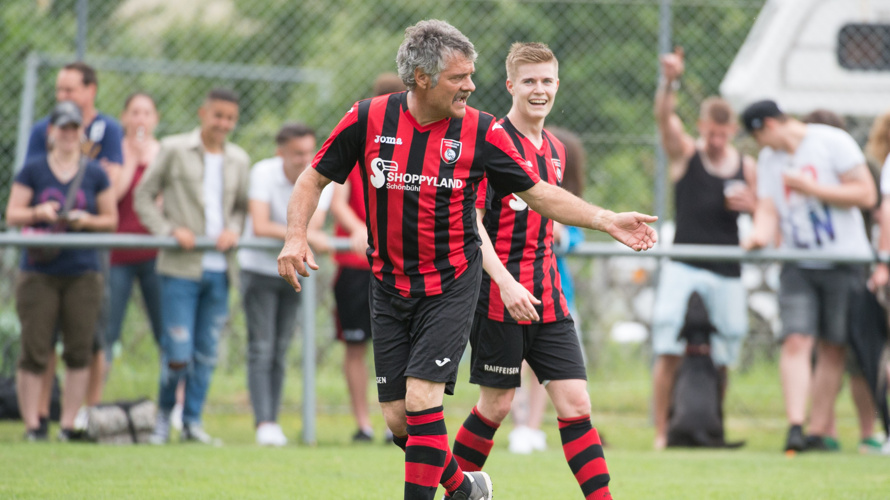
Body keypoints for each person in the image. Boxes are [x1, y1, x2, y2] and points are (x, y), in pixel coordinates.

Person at [277, 20, 656, 500]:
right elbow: (312, 179)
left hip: (452, 283)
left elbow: (538, 193)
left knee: (422, 401)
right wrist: (296, 236)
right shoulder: (368, 118)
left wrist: (604, 219)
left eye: (472, 76)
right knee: (398, 420)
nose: (471, 86)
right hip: (388, 284)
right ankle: (463, 489)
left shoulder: (480, 131)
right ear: (421, 77)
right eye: (459, 78)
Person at [448, 42, 613, 500]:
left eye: (546, 81)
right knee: (497, 404)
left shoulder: (556, 149)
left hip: (549, 296)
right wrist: (504, 282)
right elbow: (472, 223)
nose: (538, 90)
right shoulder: (489, 141)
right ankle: (453, 492)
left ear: (557, 85)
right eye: (529, 82)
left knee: (577, 403)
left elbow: (546, 208)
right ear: (510, 86)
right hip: (499, 296)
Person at [742, 99, 877, 453]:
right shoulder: (769, 161)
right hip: (797, 264)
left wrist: (812, 189)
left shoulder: (831, 142)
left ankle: (818, 431)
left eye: (757, 136)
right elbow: (768, 209)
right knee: (796, 340)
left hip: (844, 261)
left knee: (833, 347)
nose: (758, 145)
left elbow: (866, 193)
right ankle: (796, 428)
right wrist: (758, 235)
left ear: (768, 125)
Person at [650, 46, 756, 450]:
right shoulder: (687, 155)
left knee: (724, 355)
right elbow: (663, 118)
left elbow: (766, 218)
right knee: (669, 350)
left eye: (722, 135)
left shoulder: (748, 169)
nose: (714, 140)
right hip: (685, 265)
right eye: (709, 132)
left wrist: (755, 212)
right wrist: (670, 81)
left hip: (729, 269)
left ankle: (714, 428)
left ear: (732, 132)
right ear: (701, 126)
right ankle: (663, 431)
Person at [134, 88, 250, 445]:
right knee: (178, 354)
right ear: (203, 113)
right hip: (180, 269)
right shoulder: (173, 149)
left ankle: (192, 422)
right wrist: (169, 230)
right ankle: (162, 419)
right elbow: (143, 196)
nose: (223, 124)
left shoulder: (239, 159)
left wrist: (233, 229)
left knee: (206, 352)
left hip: (220, 271)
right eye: (218, 115)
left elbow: (242, 208)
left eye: (230, 118)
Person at [6, 101, 118, 441]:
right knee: (35, 348)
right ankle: (33, 425)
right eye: (63, 128)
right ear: (51, 132)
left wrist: (86, 220)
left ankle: (68, 424)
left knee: (78, 348)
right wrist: (38, 212)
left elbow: (110, 220)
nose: (68, 135)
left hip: (82, 269)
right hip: (39, 269)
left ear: (80, 133)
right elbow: (13, 214)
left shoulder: (95, 173)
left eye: (74, 128)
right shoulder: (33, 169)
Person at [25, 61, 125, 431]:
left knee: (91, 335)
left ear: (90, 90)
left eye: (70, 90)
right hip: (44, 250)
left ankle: (88, 413)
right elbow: (35, 175)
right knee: (42, 337)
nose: (63, 97)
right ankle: (41, 414)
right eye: (59, 91)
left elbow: (110, 182)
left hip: (88, 249)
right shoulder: (41, 130)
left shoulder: (109, 128)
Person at [804, 109, 884, 453]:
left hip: (859, 273)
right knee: (822, 355)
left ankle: (869, 432)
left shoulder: (868, 167)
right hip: (816, 268)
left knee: (862, 360)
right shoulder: (797, 164)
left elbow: (879, 211)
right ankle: (825, 430)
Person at [331, 72, 406, 444]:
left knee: (396, 349)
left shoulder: (415, 148)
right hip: (357, 267)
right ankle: (363, 423)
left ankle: (397, 425)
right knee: (356, 346)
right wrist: (359, 228)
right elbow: (336, 200)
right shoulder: (360, 137)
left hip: (398, 267)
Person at [505, 125, 588, 456]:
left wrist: (561, 236)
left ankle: (534, 426)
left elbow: (576, 237)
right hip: (515, 291)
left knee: (546, 368)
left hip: (555, 295)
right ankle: (518, 424)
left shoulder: (567, 208)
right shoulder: (516, 193)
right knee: (513, 366)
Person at [238, 123, 319, 446]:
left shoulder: (318, 175)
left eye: (308, 151)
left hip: (294, 273)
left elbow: (314, 227)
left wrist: (300, 234)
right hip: (258, 271)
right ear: (280, 152)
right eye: (298, 153)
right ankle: (264, 423)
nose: (305, 159)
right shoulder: (262, 173)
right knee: (262, 347)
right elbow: (259, 225)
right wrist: (295, 233)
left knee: (281, 350)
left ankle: (273, 421)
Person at [105, 92, 164, 364]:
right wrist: (131, 158)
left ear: (155, 119)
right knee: (107, 332)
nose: (140, 118)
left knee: (165, 330)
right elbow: (114, 195)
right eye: (135, 112)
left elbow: (162, 203)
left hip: (155, 254)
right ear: (124, 117)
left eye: (146, 113)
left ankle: (174, 402)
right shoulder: (114, 151)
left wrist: (148, 159)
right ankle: (92, 404)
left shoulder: (164, 152)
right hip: (118, 255)